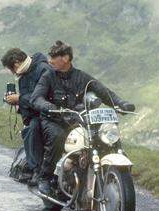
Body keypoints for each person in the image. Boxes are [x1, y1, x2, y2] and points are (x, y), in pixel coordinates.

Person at [30, 41, 135, 196]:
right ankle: (44, 178)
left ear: (65, 58)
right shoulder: (48, 76)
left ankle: (90, 173)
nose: (50, 61)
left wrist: (121, 104)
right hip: (53, 119)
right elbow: (36, 98)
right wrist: (52, 108)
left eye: (53, 58)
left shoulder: (82, 77)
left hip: (75, 120)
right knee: (57, 137)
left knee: (98, 138)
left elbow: (104, 92)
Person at [1, 48, 50, 185]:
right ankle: (34, 166)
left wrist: (19, 98)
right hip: (36, 114)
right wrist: (18, 106)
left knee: (32, 129)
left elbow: (41, 97)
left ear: (16, 63)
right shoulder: (25, 74)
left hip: (48, 115)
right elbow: (29, 101)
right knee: (31, 127)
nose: (12, 72)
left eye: (11, 69)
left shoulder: (42, 70)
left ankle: (37, 170)